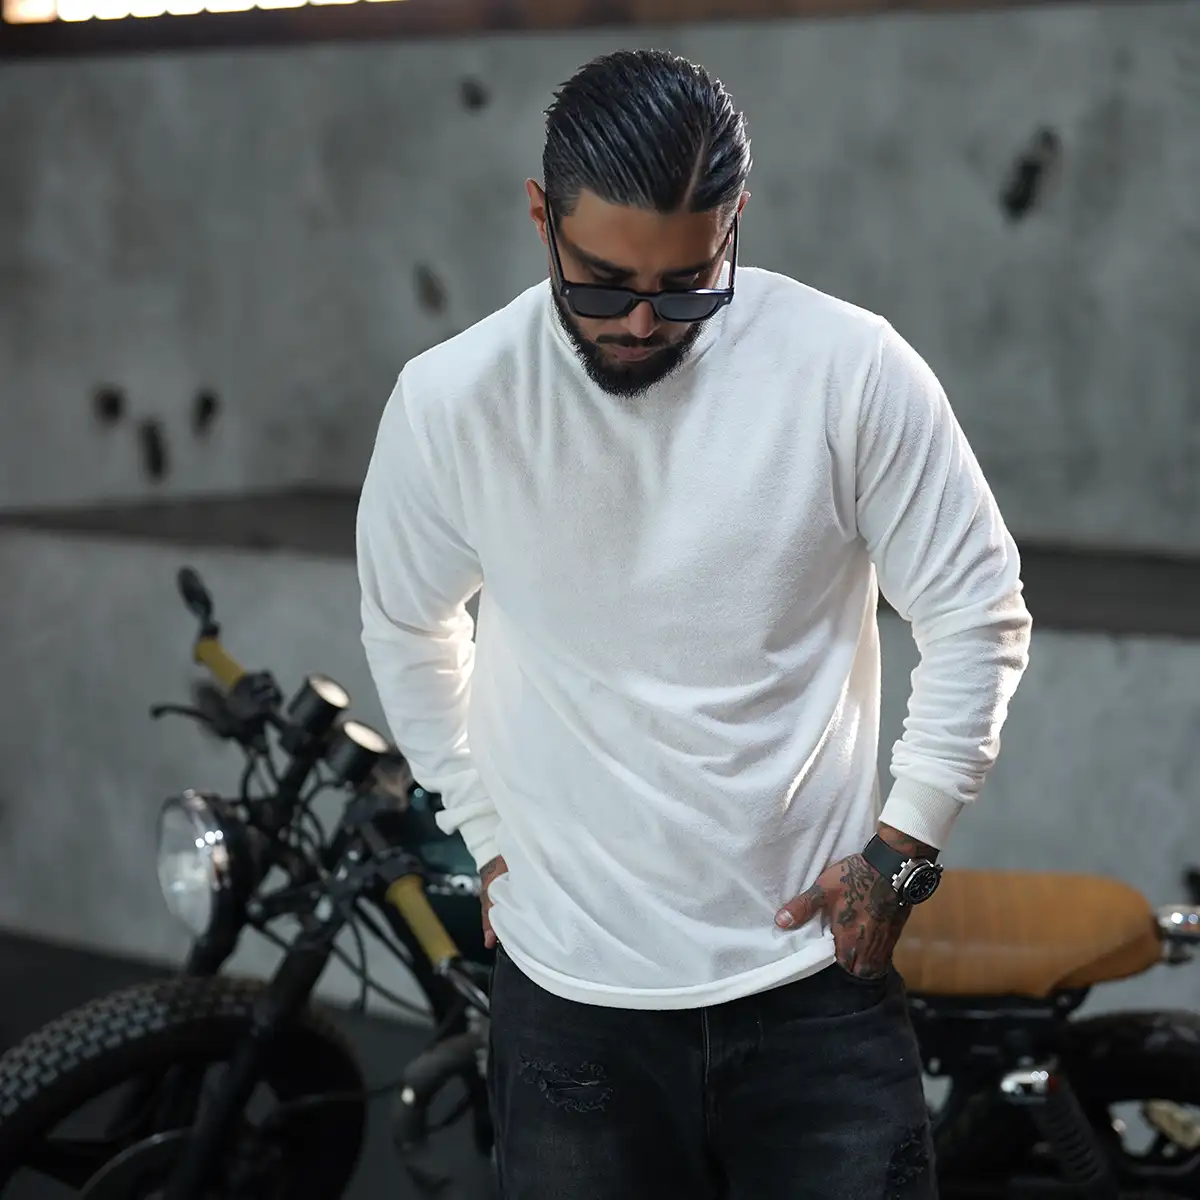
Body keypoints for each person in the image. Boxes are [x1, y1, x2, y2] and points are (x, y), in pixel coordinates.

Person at [357, 47, 1032, 1200]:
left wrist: (902, 849)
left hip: (814, 990)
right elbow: (407, 623)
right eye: (602, 283)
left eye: (685, 285)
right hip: (570, 1001)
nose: (639, 321)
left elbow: (976, 608)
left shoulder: (850, 372)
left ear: (735, 223)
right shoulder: (454, 400)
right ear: (541, 218)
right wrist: (479, 821)